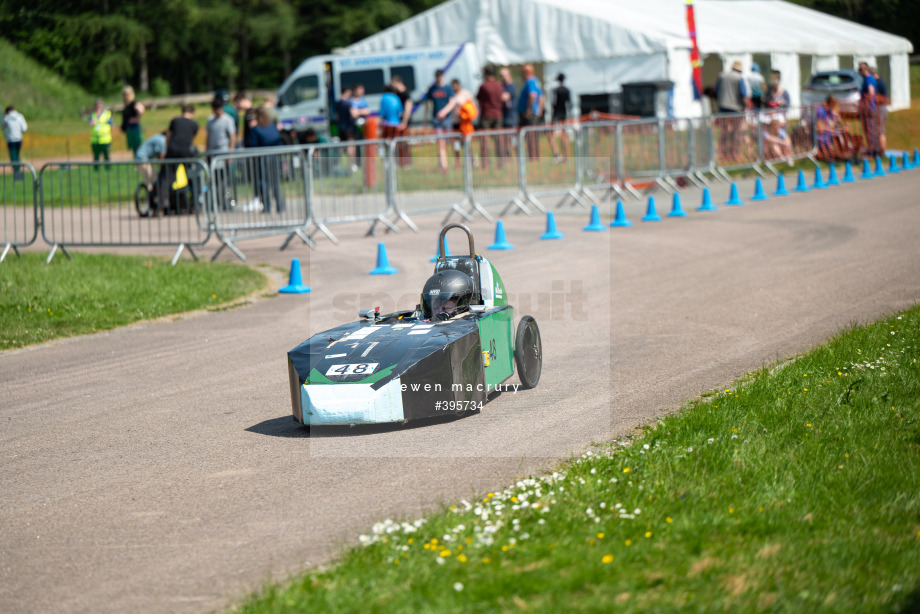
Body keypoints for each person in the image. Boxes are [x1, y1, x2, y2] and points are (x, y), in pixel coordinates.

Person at [245, 106, 284, 214]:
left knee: (264, 183)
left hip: (262, 159)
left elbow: (252, 145)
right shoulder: (272, 127)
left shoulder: (255, 129)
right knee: (275, 183)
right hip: (274, 157)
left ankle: (267, 207)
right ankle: (280, 206)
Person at [714, 60, 750, 162]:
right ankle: (734, 153)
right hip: (736, 109)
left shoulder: (722, 76)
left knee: (724, 131)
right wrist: (746, 106)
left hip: (723, 107)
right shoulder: (739, 78)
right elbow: (743, 95)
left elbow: (715, 91)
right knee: (736, 132)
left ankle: (722, 152)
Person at [426, 69, 454, 171]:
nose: (438, 78)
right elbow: (427, 103)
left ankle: (445, 163)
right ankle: (443, 165)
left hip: (446, 119)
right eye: (437, 76)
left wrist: (444, 112)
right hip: (436, 120)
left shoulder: (448, 88)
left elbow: (452, 103)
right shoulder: (432, 89)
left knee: (447, 143)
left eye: (440, 76)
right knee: (440, 143)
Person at [476, 66, 505, 165]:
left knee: (485, 140)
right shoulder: (499, 85)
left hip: (487, 115)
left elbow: (478, 98)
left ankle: (485, 163)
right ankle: (501, 162)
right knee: (498, 140)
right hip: (498, 115)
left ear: (486, 74)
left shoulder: (484, 86)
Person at [517, 64, 544, 158]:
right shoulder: (536, 81)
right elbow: (541, 96)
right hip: (534, 113)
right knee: (533, 135)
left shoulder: (530, 81)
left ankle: (532, 156)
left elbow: (532, 95)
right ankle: (535, 155)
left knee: (530, 135)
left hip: (529, 114)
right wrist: (540, 109)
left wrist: (529, 109)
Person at [857, 62, 880, 157]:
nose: (859, 72)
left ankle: (874, 152)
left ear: (865, 70)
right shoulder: (867, 79)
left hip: (869, 109)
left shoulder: (869, 79)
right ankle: (873, 151)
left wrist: (865, 104)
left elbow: (871, 92)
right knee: (870, 131)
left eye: (860, 70)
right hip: (869, 108)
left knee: (870, 131)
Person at [391, 74, 413, 166]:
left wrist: (404, 122)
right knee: (397, 142)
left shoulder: (406, 93)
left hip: (404, 122)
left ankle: (407, 162)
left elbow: (408, 108)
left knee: (404, 142)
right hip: (397, 121)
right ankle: (398, 162)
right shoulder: (396, 93)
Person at [549, 73, 571, 162]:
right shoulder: (567, 90)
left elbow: (553, 103)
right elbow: (570, 103)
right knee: (563, 135)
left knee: (552, 135)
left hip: (556, 114)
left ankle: (557, 154)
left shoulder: (555, 90)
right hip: (564, 114)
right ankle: (565, 156)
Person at [120, 86, 145, 157]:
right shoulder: (127, 105)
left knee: (138, 147)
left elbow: (141, 108)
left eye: (127, 94)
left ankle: (139, 163)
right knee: (134, 149)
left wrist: (136, 119)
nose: (125, 96)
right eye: (124, 94)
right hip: (130, 129)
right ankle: (137, 164)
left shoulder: (133, 103)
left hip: (135, 129)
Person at [89, 99, 113, 166]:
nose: (98, 107)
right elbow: (91, 124)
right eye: (97, 105)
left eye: (99, 105)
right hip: (95, 140)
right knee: (96, 157)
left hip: (105, 140)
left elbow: (111, 125)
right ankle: (96, 171)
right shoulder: (93, 115)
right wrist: (96, 117)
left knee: (106, 156)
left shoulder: (107, 114)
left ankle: (108, 169)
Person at [870, 66, 888, 154]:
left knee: (880, 131)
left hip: (880, 108)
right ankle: (880, 150)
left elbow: (882, 98)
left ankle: (881, 151)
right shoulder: (879, 82)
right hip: (880, 108)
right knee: (879, 131)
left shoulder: (879, 83)